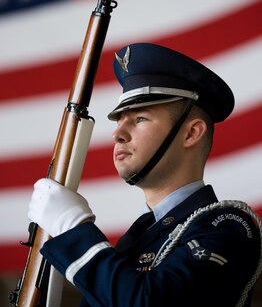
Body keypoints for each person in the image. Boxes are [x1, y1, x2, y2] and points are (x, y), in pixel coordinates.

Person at [28, 42, 262, 307]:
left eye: (140, 119)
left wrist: (73, 228)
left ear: (191, 133)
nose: (118, 133)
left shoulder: (226, 226)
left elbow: (146, 301)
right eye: (119, 121)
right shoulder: (139, 236)